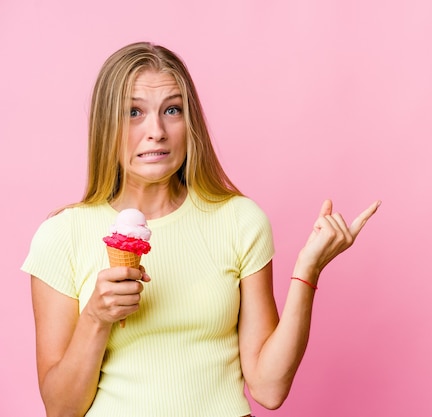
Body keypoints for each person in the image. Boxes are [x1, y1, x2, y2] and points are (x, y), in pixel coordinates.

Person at [21, 42, 380, 417]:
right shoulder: (61, 235)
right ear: (105, 125)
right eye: (134, 112)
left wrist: (308, 270)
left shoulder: (240, 220)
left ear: (189, 122)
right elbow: (61, 410)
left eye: (172, 110)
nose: (156, 131)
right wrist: (95, 317)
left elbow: (269, 388)